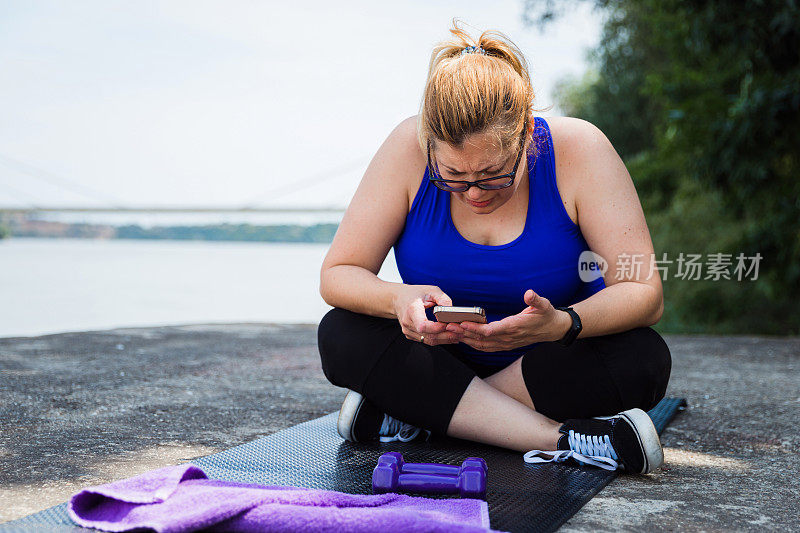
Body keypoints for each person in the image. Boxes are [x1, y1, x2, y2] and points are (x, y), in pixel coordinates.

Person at [316, 22, 671, 474]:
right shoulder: (406, 148)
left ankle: (421, 415)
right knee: (341, 334)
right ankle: (558, 438)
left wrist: (563, 323)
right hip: (437, 360)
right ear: (429, 145)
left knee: (643, 358)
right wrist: (397, 298)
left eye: (493, 175)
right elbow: (339, 273)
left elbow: (644, 292)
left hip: (544, 363)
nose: (474, 194)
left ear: (526, 134)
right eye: (452, 177)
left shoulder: (581, 148)